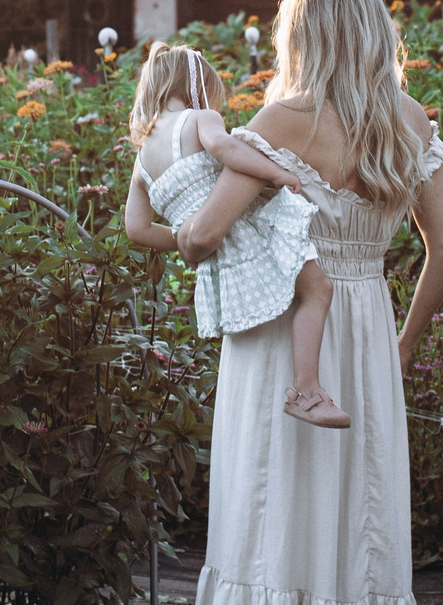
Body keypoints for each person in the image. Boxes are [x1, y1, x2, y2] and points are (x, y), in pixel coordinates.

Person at [165, 0, 443, 605]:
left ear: (299, 33)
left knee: (271, 509)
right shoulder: (411, 120)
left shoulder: (281, 122)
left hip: (281, 331)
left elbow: (204, 237)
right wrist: (401, 348)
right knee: (359, 517)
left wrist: (169, 206)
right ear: (375, 31)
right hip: (366, 331)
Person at [122, 40, 352, 427]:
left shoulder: (142, 158)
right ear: (195, 87)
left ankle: (296, 393)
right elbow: (224, 146)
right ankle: (306, 391)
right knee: (318, 289)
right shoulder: (200, 118)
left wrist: (184, 240)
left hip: (218, 261)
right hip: (248, 233)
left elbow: (137, 228)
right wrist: (276, 173)